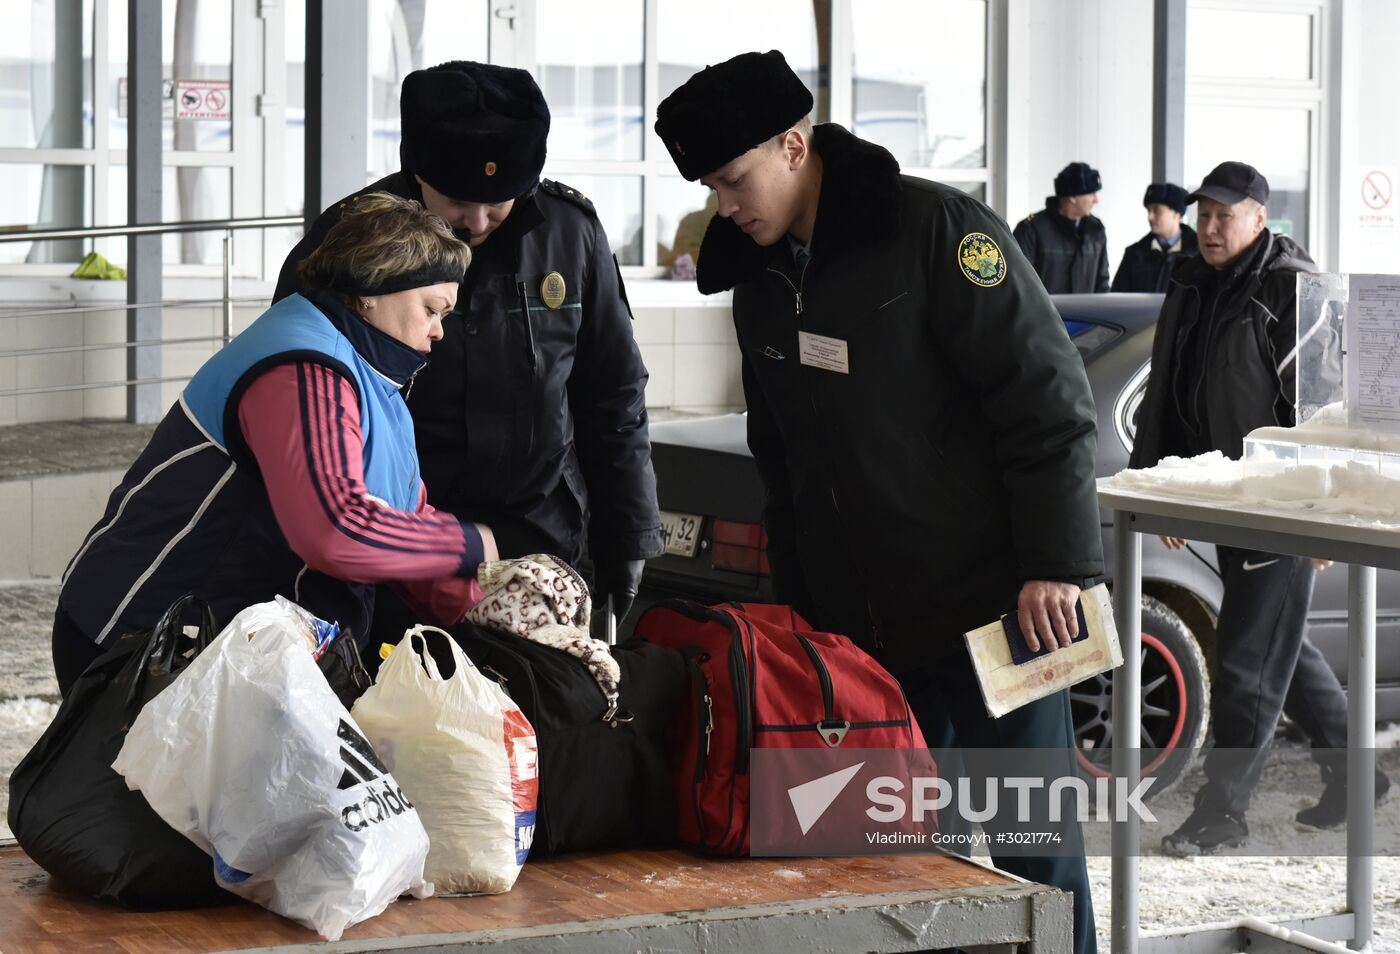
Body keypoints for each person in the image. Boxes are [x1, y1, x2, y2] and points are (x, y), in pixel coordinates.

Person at [655, 51, 1104, 954]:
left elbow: (1047, 406)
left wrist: (1057, 566)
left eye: (734, 180)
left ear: (793, 145)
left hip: (1001, 620)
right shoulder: (759, 276)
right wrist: (799, 610)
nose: (724, 206)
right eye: (710, 187)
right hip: (862, 643)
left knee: (1033, 856)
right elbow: (777, 456)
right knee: (898, 867)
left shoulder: (936, 231)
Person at [275, 61, 663, 634]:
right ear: (417, 171)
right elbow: (301, 406)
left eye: (500, 200)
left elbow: (613, 392)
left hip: (540, 541)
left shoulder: (570, 232)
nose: (478, 222)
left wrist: (628, 532)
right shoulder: (347, 244)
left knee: (537, 718)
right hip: (399, 555)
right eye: (458, 200)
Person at [54, 193, 495, 695]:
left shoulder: (373, 382)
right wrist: (466, 543)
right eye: (432, 310)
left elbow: (402, 519)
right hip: (146, 644)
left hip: (231, 654)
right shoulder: (303, 368)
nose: (439, 332)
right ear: (372, 290)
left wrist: (482, 602)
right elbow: (337, 529)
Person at [1128, 161, 1391, 851]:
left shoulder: (1292, 288)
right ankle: (1358, 775)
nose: (1210, 228)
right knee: (1280, 648)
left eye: (1224, 215)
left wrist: (1320, 512)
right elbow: (1170, 389)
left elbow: (1322, 410)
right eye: (1203, 215)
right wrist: (1164, 488)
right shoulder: (1191, 278)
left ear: (1258, 219)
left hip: (1280, 504)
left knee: (1246, 662)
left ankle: (1224, 813)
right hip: (1223, 497)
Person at [1013, 161, 1110, 293]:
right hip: (1044, 314)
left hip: (1086, 314)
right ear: (1073, 197)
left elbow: (1102, 284)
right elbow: (1019, 284)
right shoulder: (1031, 230)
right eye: (1091, 193)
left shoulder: (1096, 231)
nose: (1096, 200)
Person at [1110, 182, 1198, 292]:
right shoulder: (1134, 254)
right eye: (1148, 210)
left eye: (1157, 210)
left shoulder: (1199, 254)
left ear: (1176, 214)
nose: (1150, 217)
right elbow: (1118, 300)